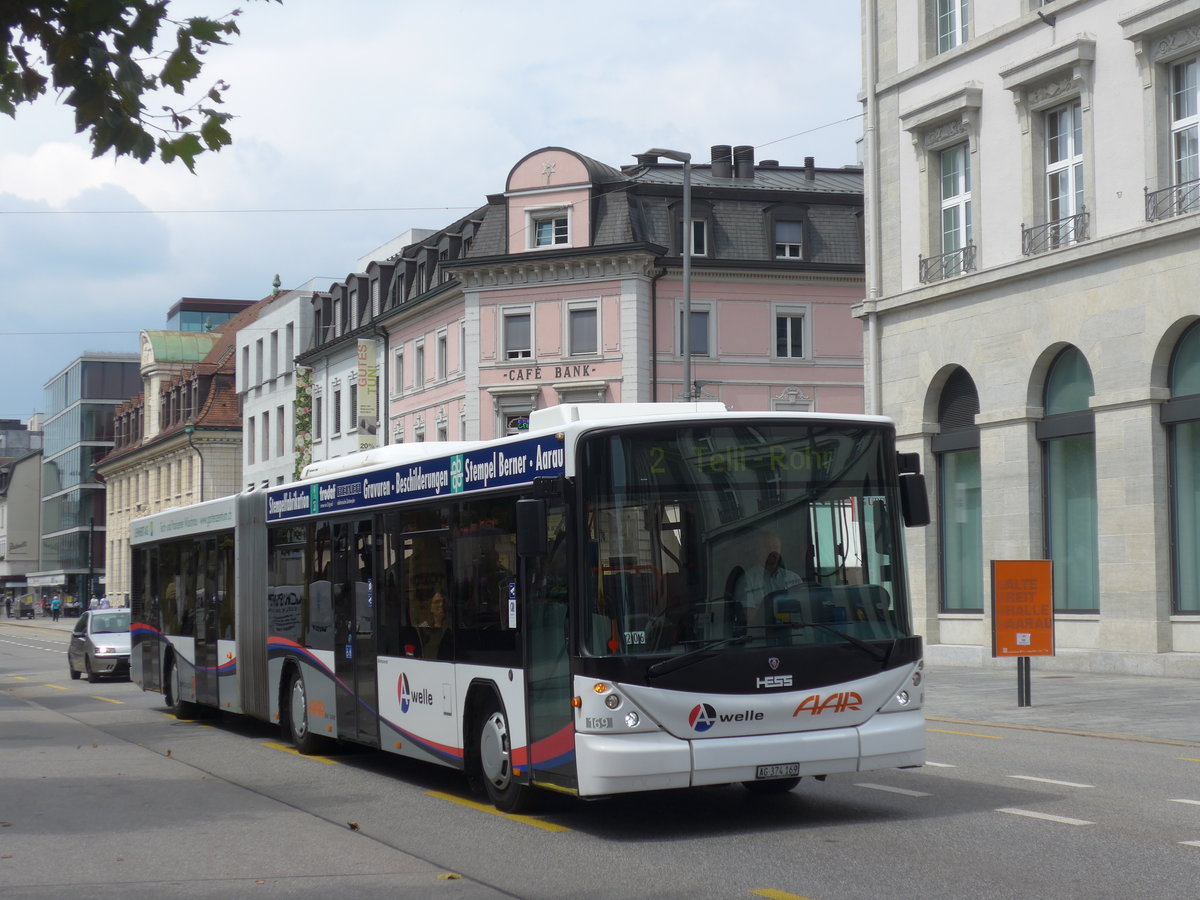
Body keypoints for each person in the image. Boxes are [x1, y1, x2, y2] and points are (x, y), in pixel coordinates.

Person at [735, 532, 805, 625]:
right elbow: (750, 617)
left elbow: (805, 611)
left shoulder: (794, 578)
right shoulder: (746, 580)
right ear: (758, 551)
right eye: (767, 547)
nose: (772, 551)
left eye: (775, 547)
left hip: (794, 632)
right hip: (763, 632)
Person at [417, 590, 451, 660]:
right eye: (437, 602)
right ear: (431, 607)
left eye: (443, 601)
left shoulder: (450, 627)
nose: (441, 605)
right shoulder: (423, 627)